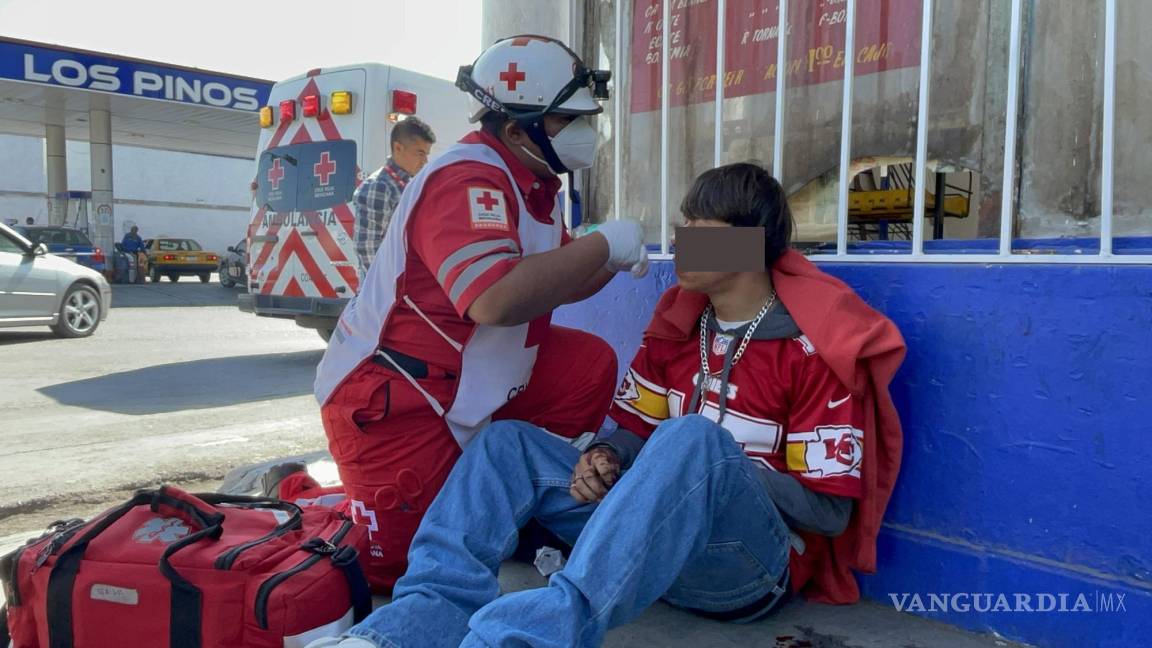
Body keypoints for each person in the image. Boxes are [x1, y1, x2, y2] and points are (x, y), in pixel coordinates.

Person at [306, 163, 906, 648]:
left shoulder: (808, 352)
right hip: (645, 549)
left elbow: (828, 515)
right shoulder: (678, 329)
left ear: (752, 245)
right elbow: (631, 434)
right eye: (683, 222)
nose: (682, 238)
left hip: (742, 570)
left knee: (692, 439)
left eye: (703, 225)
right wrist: (605, 455)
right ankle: (399, 632)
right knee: (505, 443)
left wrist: (712, 472)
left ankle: (521, 638)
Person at [309, 34, 649, 592]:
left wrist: (614, 257)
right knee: (402, 568)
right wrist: (603, 246)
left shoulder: (535, 182)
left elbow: (556, 283)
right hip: (399, 397)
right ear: (517, 130)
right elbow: (492, 298)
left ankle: (514, 497)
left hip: (475, 377)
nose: (585, 132)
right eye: (568, 118)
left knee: (585, 364)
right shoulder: (468, 177)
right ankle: (323, 500)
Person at [354, 116, 436, 275]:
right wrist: (389, 286)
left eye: (426, 154)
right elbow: (368, 248)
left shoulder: (406, 185)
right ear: (398, 148)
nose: (425, 161)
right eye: (419, 153)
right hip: (386, 288)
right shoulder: (379, 186)